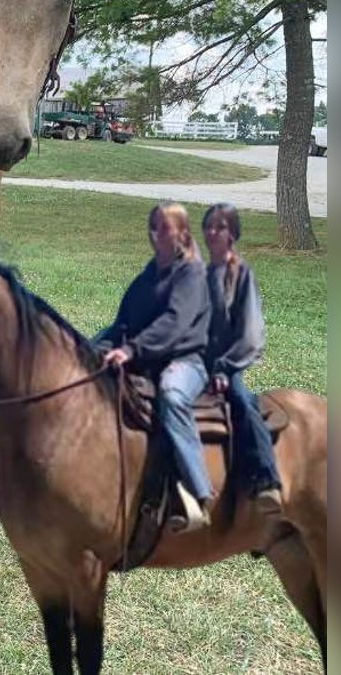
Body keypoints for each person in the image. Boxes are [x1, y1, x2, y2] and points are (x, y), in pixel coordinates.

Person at [97, 202, 215, 532]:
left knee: (173, 396)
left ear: (183, 234)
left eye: (164, 228)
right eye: (153, 227)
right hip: (148, 357)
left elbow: (174, 324)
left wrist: (132, 349)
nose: (156, 234)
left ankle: (199, 493)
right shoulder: (149, 275)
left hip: (186, 359)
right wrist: (101, 348)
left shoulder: (192, 275)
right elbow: (124, 321)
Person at [201, 202, 283, 516]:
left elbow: (250, 334)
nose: (213, 232)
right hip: (195, 362)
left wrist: (225, 367)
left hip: (226, 363)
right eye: (209, 226)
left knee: (243, 402)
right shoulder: (202, 273)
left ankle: (266, 479)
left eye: (220, 227)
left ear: (233, 234)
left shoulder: (241, 275)